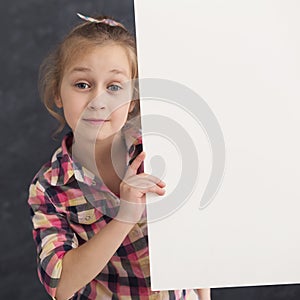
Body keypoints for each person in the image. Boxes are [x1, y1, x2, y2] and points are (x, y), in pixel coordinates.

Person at [28, 13, 211, 300]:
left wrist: (203, 295)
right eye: (82, 85)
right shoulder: (49, 187)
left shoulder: (160, 150)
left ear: (133, 99)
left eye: (114, 87)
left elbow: (193, 237)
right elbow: (60, 285)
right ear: (57, 93)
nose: (98, 101)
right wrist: (125, 216)